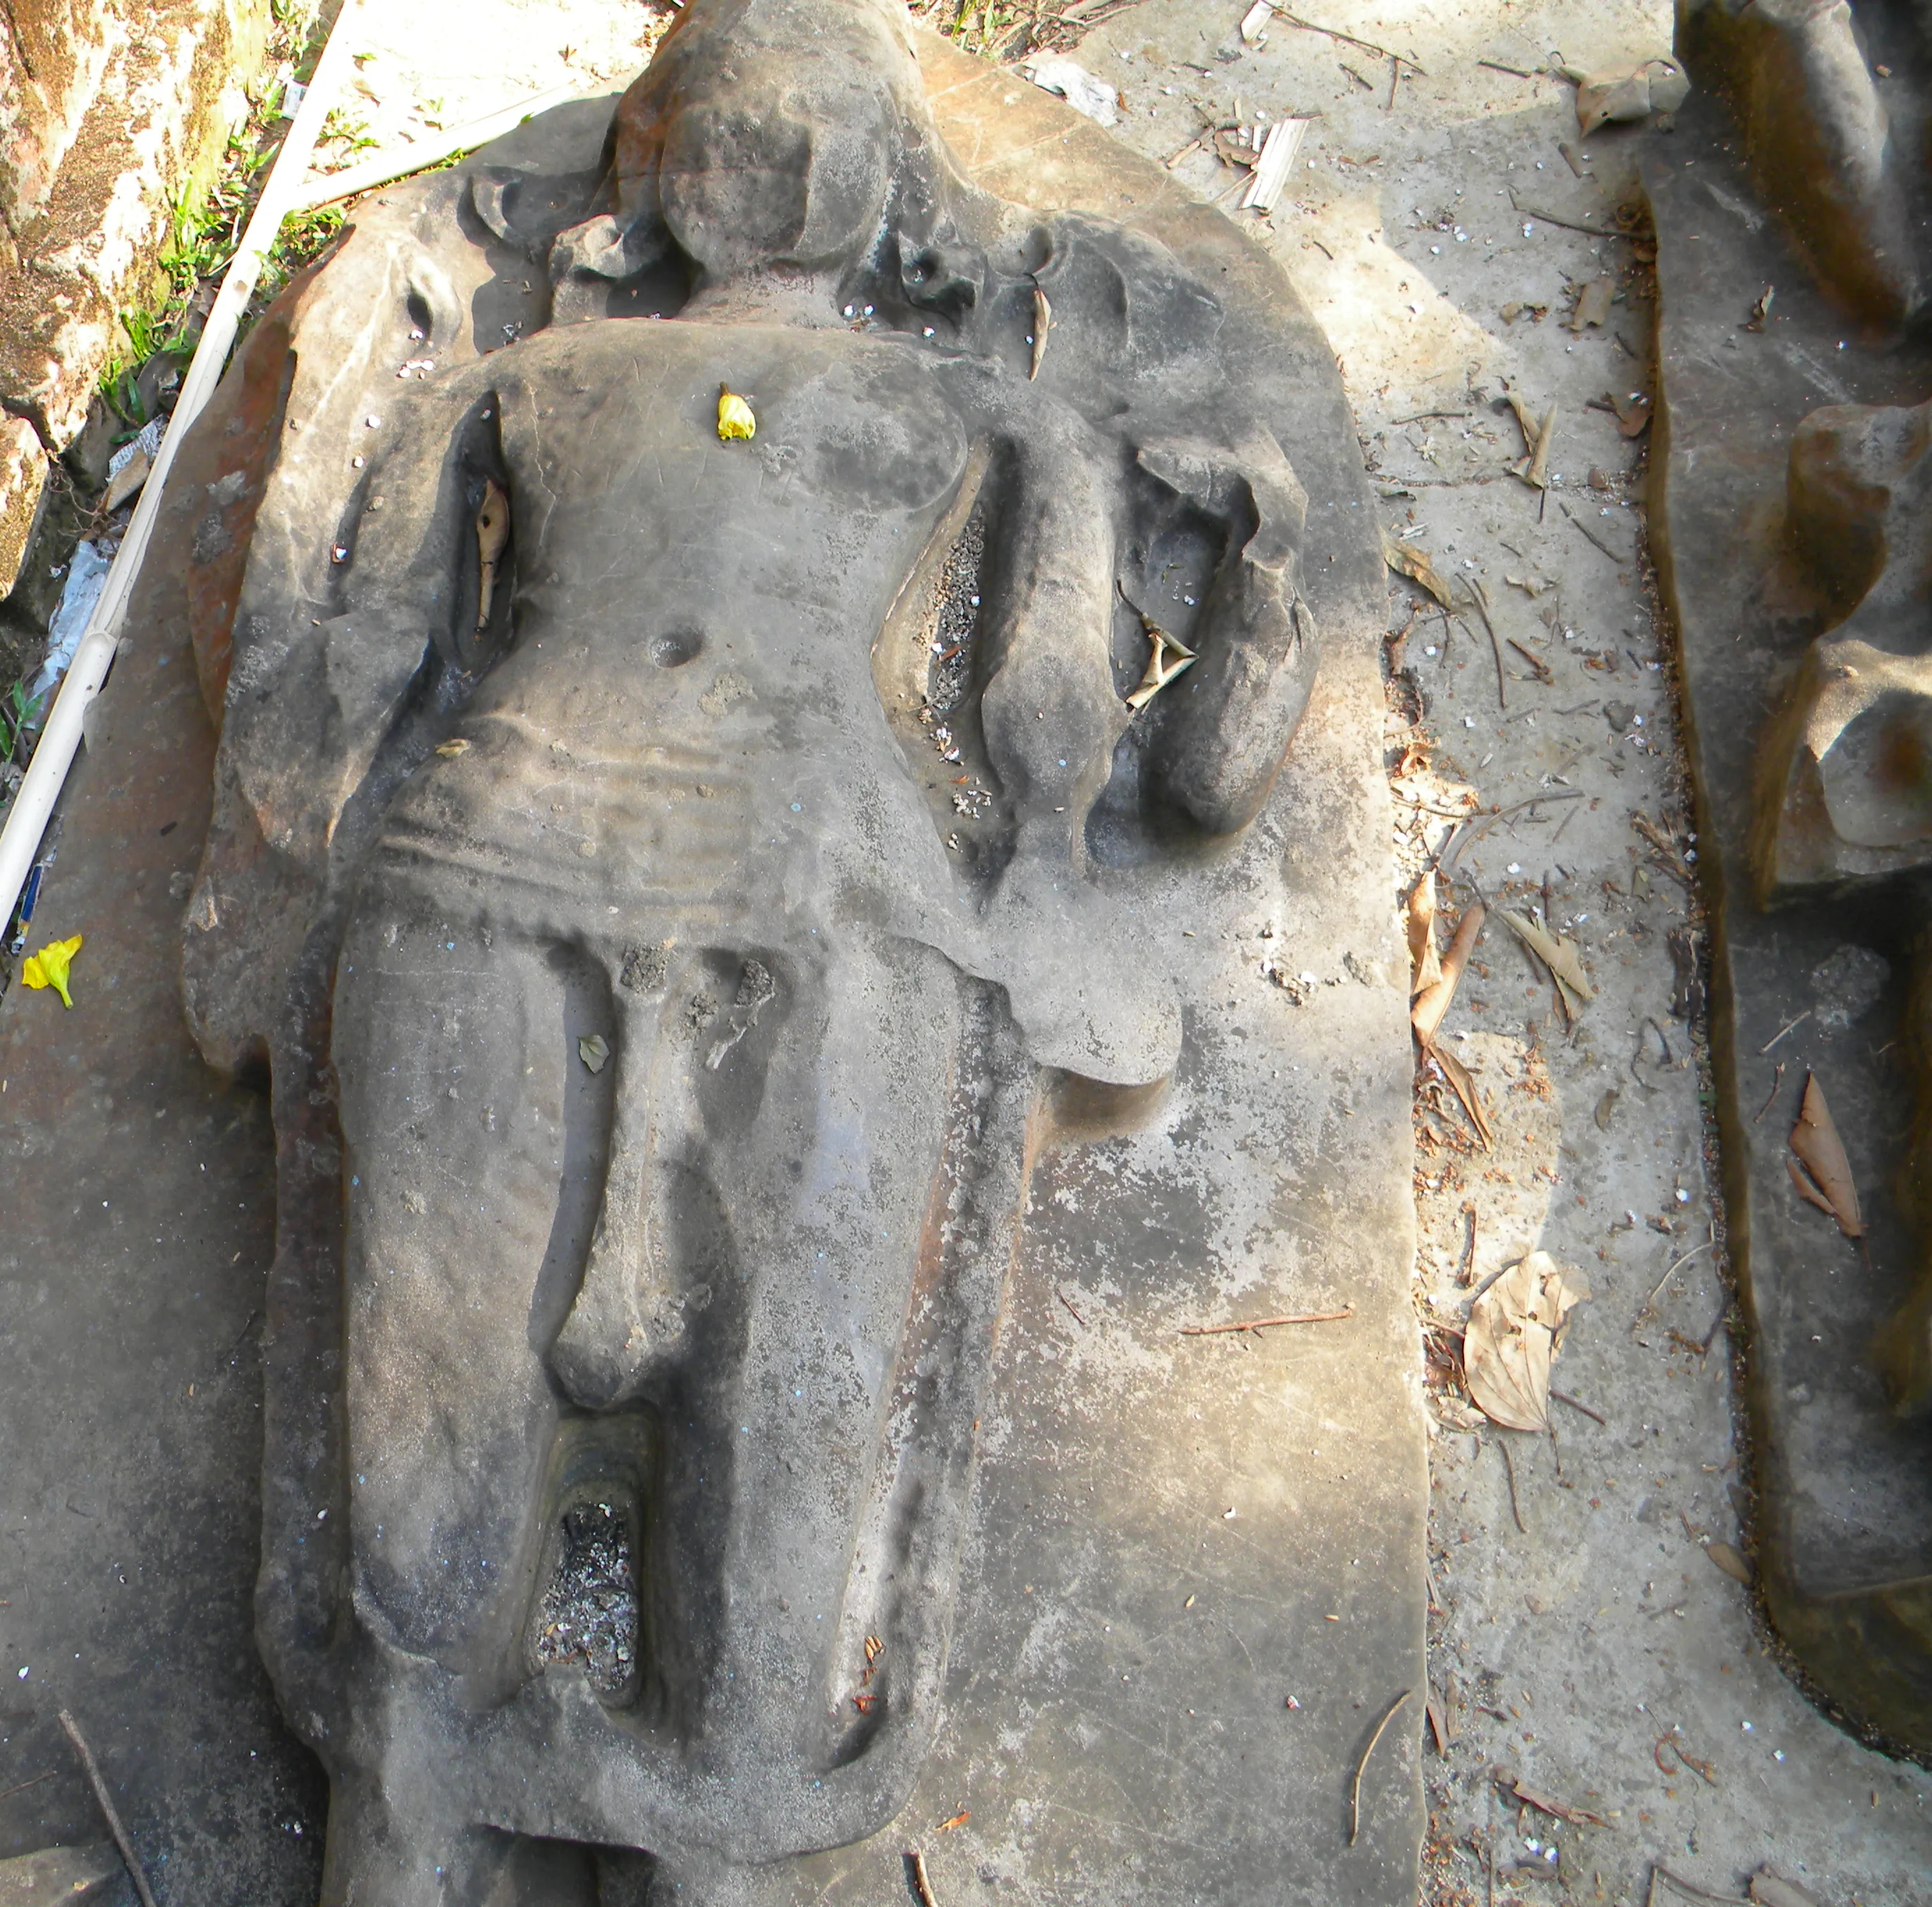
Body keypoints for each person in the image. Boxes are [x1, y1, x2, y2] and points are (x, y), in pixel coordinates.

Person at [193, 1, 1316, 1893]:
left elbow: (1089, 765)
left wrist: (1256, 588)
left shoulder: (1004, 420)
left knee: (771, 1530)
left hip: (829, 919)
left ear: (895, 182)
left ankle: (711, 1809)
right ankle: (405, 1799)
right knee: (421, 1531)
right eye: (714, 109)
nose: (760, 145)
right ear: (651, 163)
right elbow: (341, 693)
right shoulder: (499, 392)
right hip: (493, 885)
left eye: (813, 113)